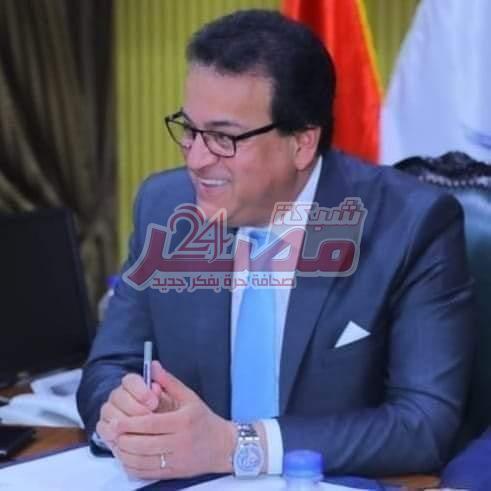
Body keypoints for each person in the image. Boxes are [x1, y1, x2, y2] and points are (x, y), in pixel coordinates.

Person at [77, 9, 475, 481]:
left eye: (223, 137)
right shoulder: (166, 208)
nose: (196, 159)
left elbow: (423, 425)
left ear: (302, 143)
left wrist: (237, 446)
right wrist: (124, 411)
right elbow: (108, 367)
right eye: (189, 129)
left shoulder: (409, 225)